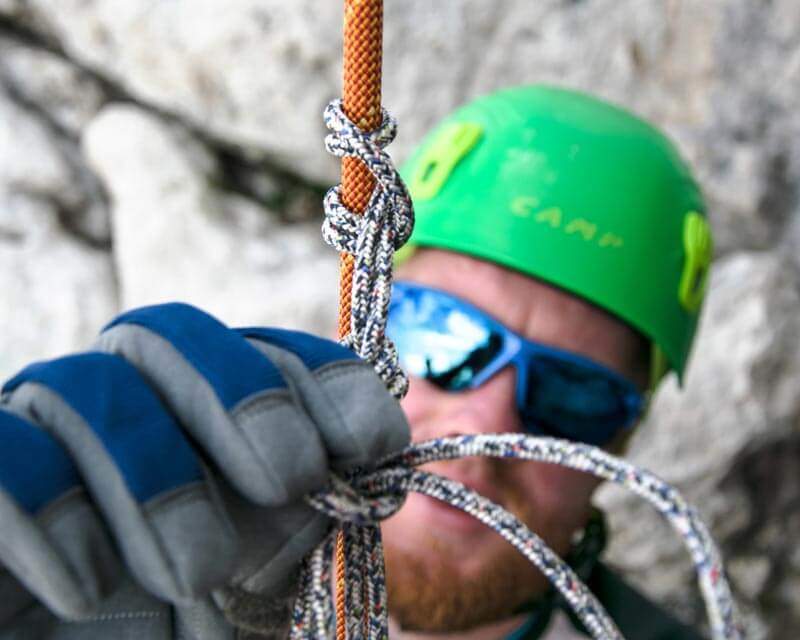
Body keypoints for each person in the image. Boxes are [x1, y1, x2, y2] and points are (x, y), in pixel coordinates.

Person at [0, 85, 713, 640]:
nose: (484, 417)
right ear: (373, 321)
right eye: (443, 337)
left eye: (574, 393)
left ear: (622, 440)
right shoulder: (185, 575)